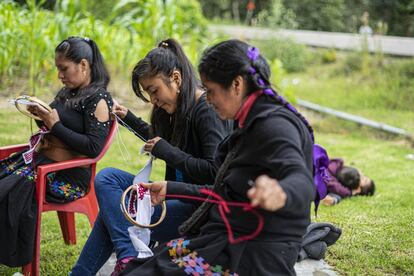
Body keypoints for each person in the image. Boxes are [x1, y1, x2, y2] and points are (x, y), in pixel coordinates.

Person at [121, 39, 316, 275]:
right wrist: (171, 188)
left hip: (255, 253)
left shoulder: (274, 125)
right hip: (226, 238)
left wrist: (282, 191)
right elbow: (224, 193)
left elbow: (301, 178)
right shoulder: (248, 123)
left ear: (237, 84)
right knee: (139, 267)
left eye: (211, 91)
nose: (208, 98)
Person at [71, 38, 231, 276]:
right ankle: (125, 256)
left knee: (114, 211)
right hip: (172, 195)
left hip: (196, 208)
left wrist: (167, 151)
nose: (153, 99)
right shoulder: (180, 107)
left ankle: (126, 257)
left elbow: (213, 172)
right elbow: (162, 142)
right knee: (108, 178)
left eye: (154, 90)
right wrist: (130, 119)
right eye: (148, 93)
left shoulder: (205, 111)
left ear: (176, 78)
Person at [0, 36, 113, 267]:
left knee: (8, 191)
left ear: (83, 65)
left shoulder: (98, 99)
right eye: (58, 69)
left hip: (67, 177)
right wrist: (42, 116)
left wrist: (56, 126)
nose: (60, 75)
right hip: (43, 162)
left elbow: (93, 147)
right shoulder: (67, 92)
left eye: (64, 69)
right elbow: (53, 125)